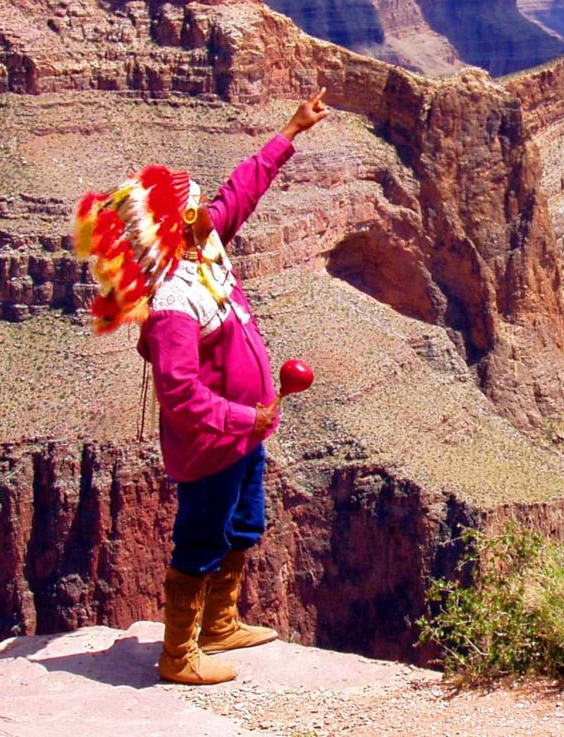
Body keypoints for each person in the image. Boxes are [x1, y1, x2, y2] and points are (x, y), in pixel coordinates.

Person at [73, 88, 331, 685]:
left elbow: (242, 191)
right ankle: (178, 655)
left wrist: (290, 130)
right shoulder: (173, 303)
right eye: (193, 205)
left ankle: (220, 621)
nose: (205, 206)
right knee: (200, 537)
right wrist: (246, 421)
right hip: (213, 444)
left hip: (244, 435)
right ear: (176, 227)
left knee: (244, 523)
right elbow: (181, 395)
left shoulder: (203, 247)